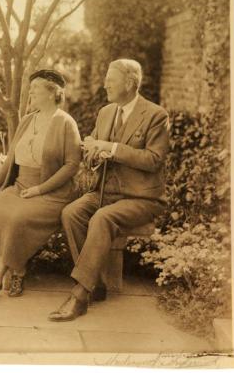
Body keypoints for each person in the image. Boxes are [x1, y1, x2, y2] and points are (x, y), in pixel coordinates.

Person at [48, 58, 170, 322]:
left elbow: (154, 160)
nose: (105, 85)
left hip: (141, 198)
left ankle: (80, 295)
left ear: (129, 82)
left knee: (103, 217)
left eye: (110, 80)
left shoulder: (156, 115)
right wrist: (93, 152)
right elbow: (92, 151)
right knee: (71, 213)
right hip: (106, 192)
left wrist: (111, 149)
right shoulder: (106, 112)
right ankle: (97, 284)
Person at [0, 69, 82, 304]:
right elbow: (11, 158)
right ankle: (19, 270)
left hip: (52, 193)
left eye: (36, 88)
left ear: (53, 92)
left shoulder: (65, 123)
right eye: (30, 88)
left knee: (17, 220)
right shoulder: (27, 120)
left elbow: (72, 166)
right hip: (22, 186)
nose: (30, 92)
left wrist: (40, 190)